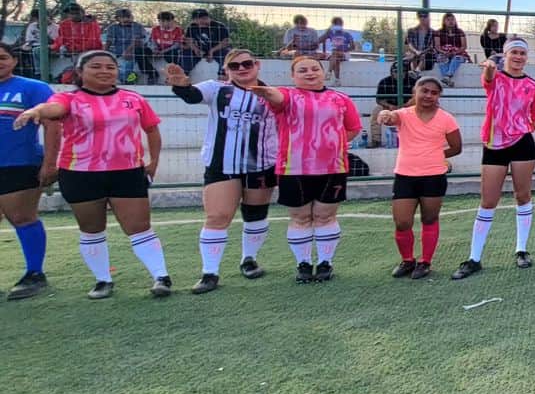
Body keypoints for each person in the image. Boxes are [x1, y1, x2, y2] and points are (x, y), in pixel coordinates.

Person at [13, 50, 171, 299]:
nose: (104, 71)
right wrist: (37, 111)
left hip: (127, 172)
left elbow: (152, 130)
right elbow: (53, 109)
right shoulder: (69, 99)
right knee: (92, 229)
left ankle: (161, 277)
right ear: (80, 72)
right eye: (96, 66)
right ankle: (102, 280)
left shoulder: (133, 98)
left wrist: (154, 162)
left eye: (110, 67)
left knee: (139, 227)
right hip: (80, 174)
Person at [166, 50, 279, 294]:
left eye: (247, 63)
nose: (242, 68)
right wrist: (181, 86)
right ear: (226, 70)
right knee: (217, 217)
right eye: (234, 65)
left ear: (257, 65)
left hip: (261, 164)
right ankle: (210, 273)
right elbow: (192, 96)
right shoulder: (216, 89)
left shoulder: (273, 94)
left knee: (256, 215)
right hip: (222, 165)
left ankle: (249, 260)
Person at [249, 56, 363, 284]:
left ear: (323, 72)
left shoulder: (341, 99)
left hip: (333, 168)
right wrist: (265, 90)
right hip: (293, 168)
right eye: (302, 70)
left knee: (325, 216)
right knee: (300, 218)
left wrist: (332, 143)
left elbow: (353, 128)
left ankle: (325, 263)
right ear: (293, 76)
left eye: (314, 69)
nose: (310, 73)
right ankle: (303, 263)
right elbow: (275, 97)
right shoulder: (288, 96)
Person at [453, 39, 535, 279]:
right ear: (505, 55)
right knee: (488, 201)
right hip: (494, 145)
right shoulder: (495, 78)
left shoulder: (533, 86)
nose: (518, 57)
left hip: (523, 144)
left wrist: (517, 129)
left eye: (522, 53)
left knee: (522, 195)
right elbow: (488, 78)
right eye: (514, 52)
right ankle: (474, 258)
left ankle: (521, 250)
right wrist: (489, 68)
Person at [376, 77, 461, 280]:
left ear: (439, 96)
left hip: (434, 176)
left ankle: (425, 262)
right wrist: (384, 115)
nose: (428, 95)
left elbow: (456, 147)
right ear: (415, 92)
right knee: (402, 222)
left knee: (429, 219)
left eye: (434, 92)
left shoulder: (446, 118)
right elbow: (389, 117)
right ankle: (407, 260)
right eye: (424, 91)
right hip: (405, 176)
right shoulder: (403, 114)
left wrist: (434, 156)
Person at [0, 43, 54, 299]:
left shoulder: (33, 88)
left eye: (3, 57)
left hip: (19, 163)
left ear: (14, 61)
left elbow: (53, 127)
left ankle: (35, 274)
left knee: (22, 217)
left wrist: (50, 162)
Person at [103, 8, 157, 84]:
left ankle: (137, 77)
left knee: (132, 60)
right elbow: (109, 41)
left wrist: (128, 51)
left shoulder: (138, 26)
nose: (126, 19)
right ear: (118, 19)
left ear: (131, 17)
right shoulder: (112, 28)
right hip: (119, 52)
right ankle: (128, 78)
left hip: (135, 50)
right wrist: (104, 53)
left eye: (128, 16)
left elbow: (139, 41)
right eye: (123, 17)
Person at [373, 61, 419, 142]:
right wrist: (389, 106)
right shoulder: (384, 81)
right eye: (396, 71)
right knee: (376, 111)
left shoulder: (413, 82)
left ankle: (417, 138)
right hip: (389, 106)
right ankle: (375, 140)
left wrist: (406, 105)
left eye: (402, 71)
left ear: (406, 72)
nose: (399, 74)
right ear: (392, 72)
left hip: (408, 106)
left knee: (420, 110)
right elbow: (379, 99)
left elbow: (416, 97)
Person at [434, 13, 469, 86]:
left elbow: (464, 46)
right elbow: (437, 46)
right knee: (441, 58)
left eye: (452, 19)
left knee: (457, 58)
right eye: (448, 20)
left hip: (458, 53)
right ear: (444, 21)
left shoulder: (460, 32)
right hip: (443, 53)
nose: (451, 21)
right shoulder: (439, 32)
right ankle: (447, 79)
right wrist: (444, 52)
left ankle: (447, 76)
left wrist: (455, 52)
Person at [317, 17, 355, 85]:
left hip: (344, 53)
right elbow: (319, 40)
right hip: (334, 54)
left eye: (339, 24)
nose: (338, 25)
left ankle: (329, 72)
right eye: (336, 24)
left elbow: (353, 47)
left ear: (342, 24)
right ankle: (337, 80)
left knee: (334, 54)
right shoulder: (331, 33)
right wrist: (327, 32)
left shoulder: (347, 34)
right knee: (336, 59)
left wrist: (343, 50)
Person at [148, 11, 185, 75]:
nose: (165, 23)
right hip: (157, 50)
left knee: (173, 54)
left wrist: (163, 52)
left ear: (172, 21)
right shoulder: (155, 29)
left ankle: (175, 74)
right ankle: (152, 74)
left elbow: (177, 45)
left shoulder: (178, 30)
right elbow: (153, 41)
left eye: (168, 21)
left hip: (169, 50)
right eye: (162, 21)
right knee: (140, 52)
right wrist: (155, 49)